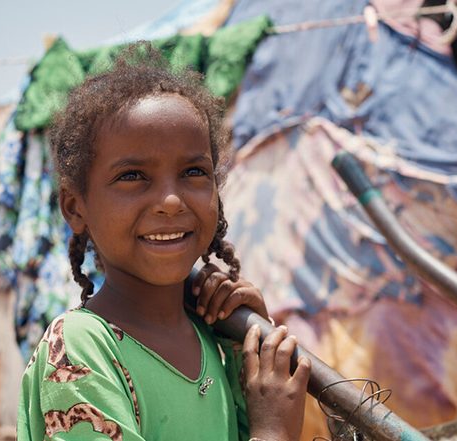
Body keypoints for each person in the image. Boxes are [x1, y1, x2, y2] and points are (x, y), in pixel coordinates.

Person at [17, 44, 311, 441]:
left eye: (193, 171)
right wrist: (273, 432)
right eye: (133, 176)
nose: (172, 202)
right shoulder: (81, 347)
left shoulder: (211, 341)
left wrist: (247, 348)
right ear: (75, 207)